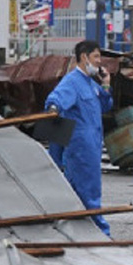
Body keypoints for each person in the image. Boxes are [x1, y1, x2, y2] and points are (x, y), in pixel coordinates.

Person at [45, 40, 113, 236]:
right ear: (84, 57)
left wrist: (106, 84)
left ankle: (72, 230)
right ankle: (101, 233)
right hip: (80, 148)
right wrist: (53, 109)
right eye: (96, 57)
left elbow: (106, 104)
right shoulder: (72, 81)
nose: (99, 62)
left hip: (91, 144)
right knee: (89, 190)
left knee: (74, 191)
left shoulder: (90, 83)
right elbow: (56, 99)